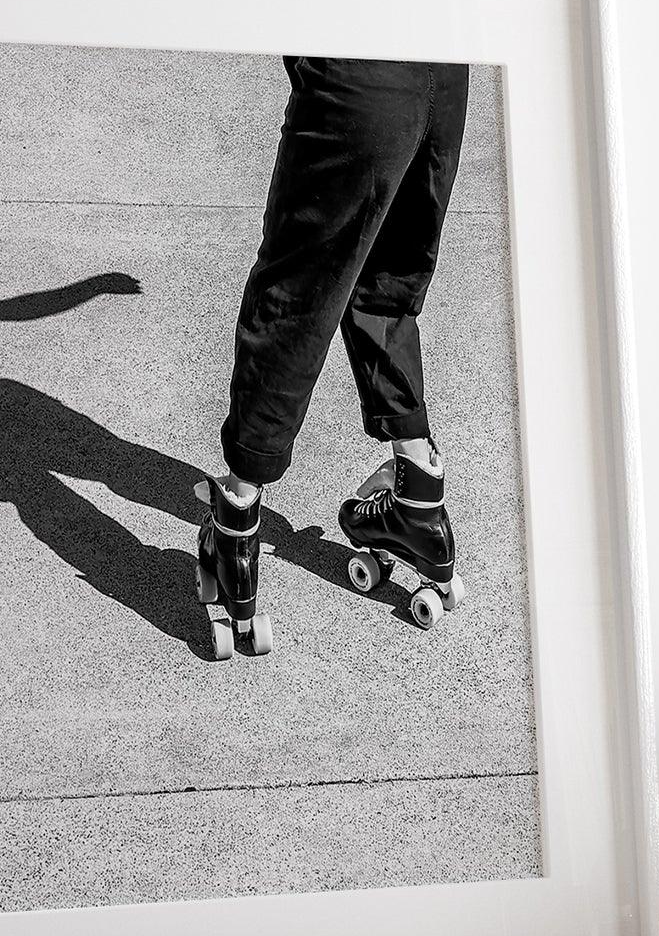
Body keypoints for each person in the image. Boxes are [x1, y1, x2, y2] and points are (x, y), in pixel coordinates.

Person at [197, 56, 468, 653]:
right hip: (444, 78)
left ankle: (235, 525)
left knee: (298, 298)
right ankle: (418, 501)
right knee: (386, 290)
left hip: (358, 70)